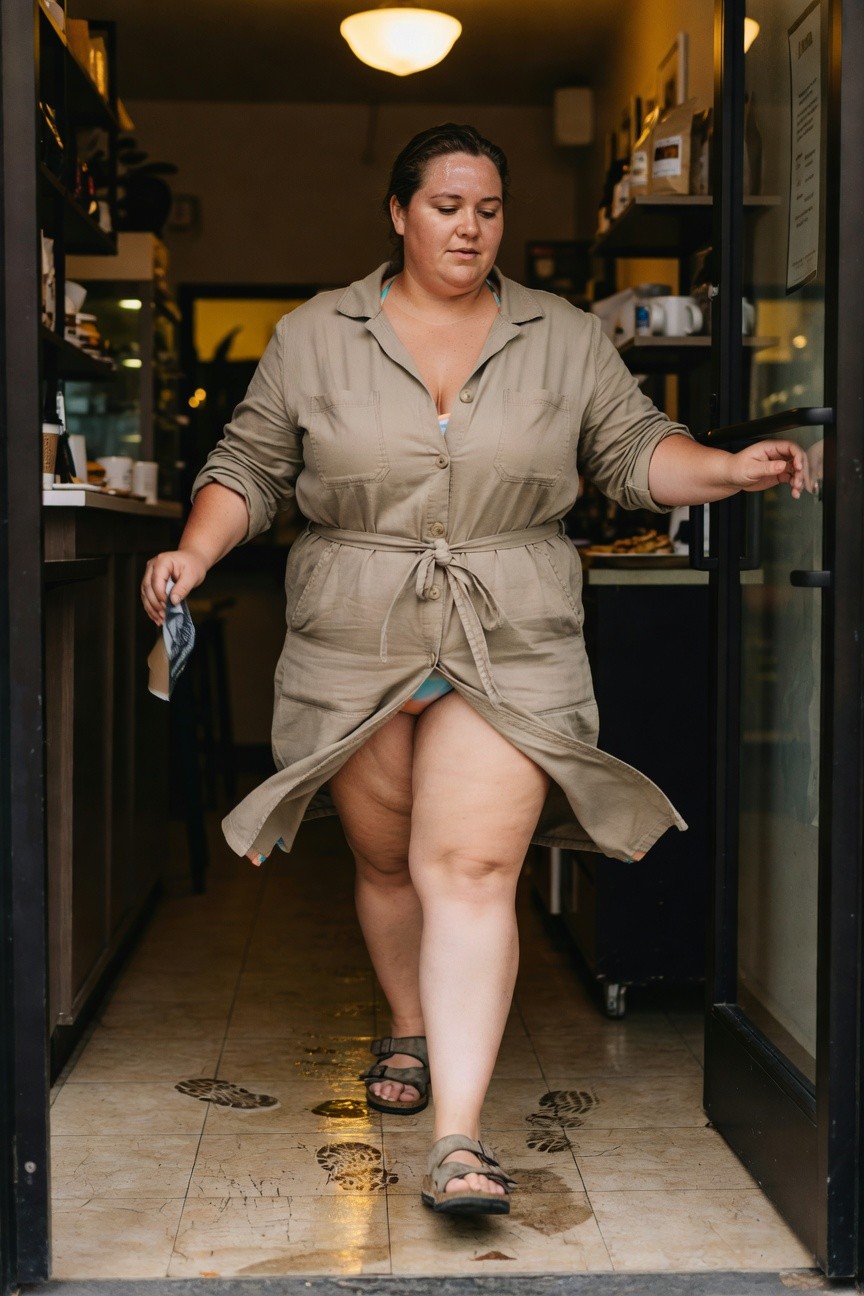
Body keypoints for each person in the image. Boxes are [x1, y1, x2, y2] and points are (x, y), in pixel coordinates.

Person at [141, 123, 805, 1216]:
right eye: (447, 205)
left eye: (489, 209)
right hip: (355, 628)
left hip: (513, 626)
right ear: (400, 214)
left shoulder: (563, 335)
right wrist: (192, 551)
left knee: (474, 868)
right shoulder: (315, 333)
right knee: (391, 857)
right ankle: (406, 1026)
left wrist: (727, 465)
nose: (470, 226)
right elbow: (251, 467)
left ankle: (459, 1135)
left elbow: (634, 449)